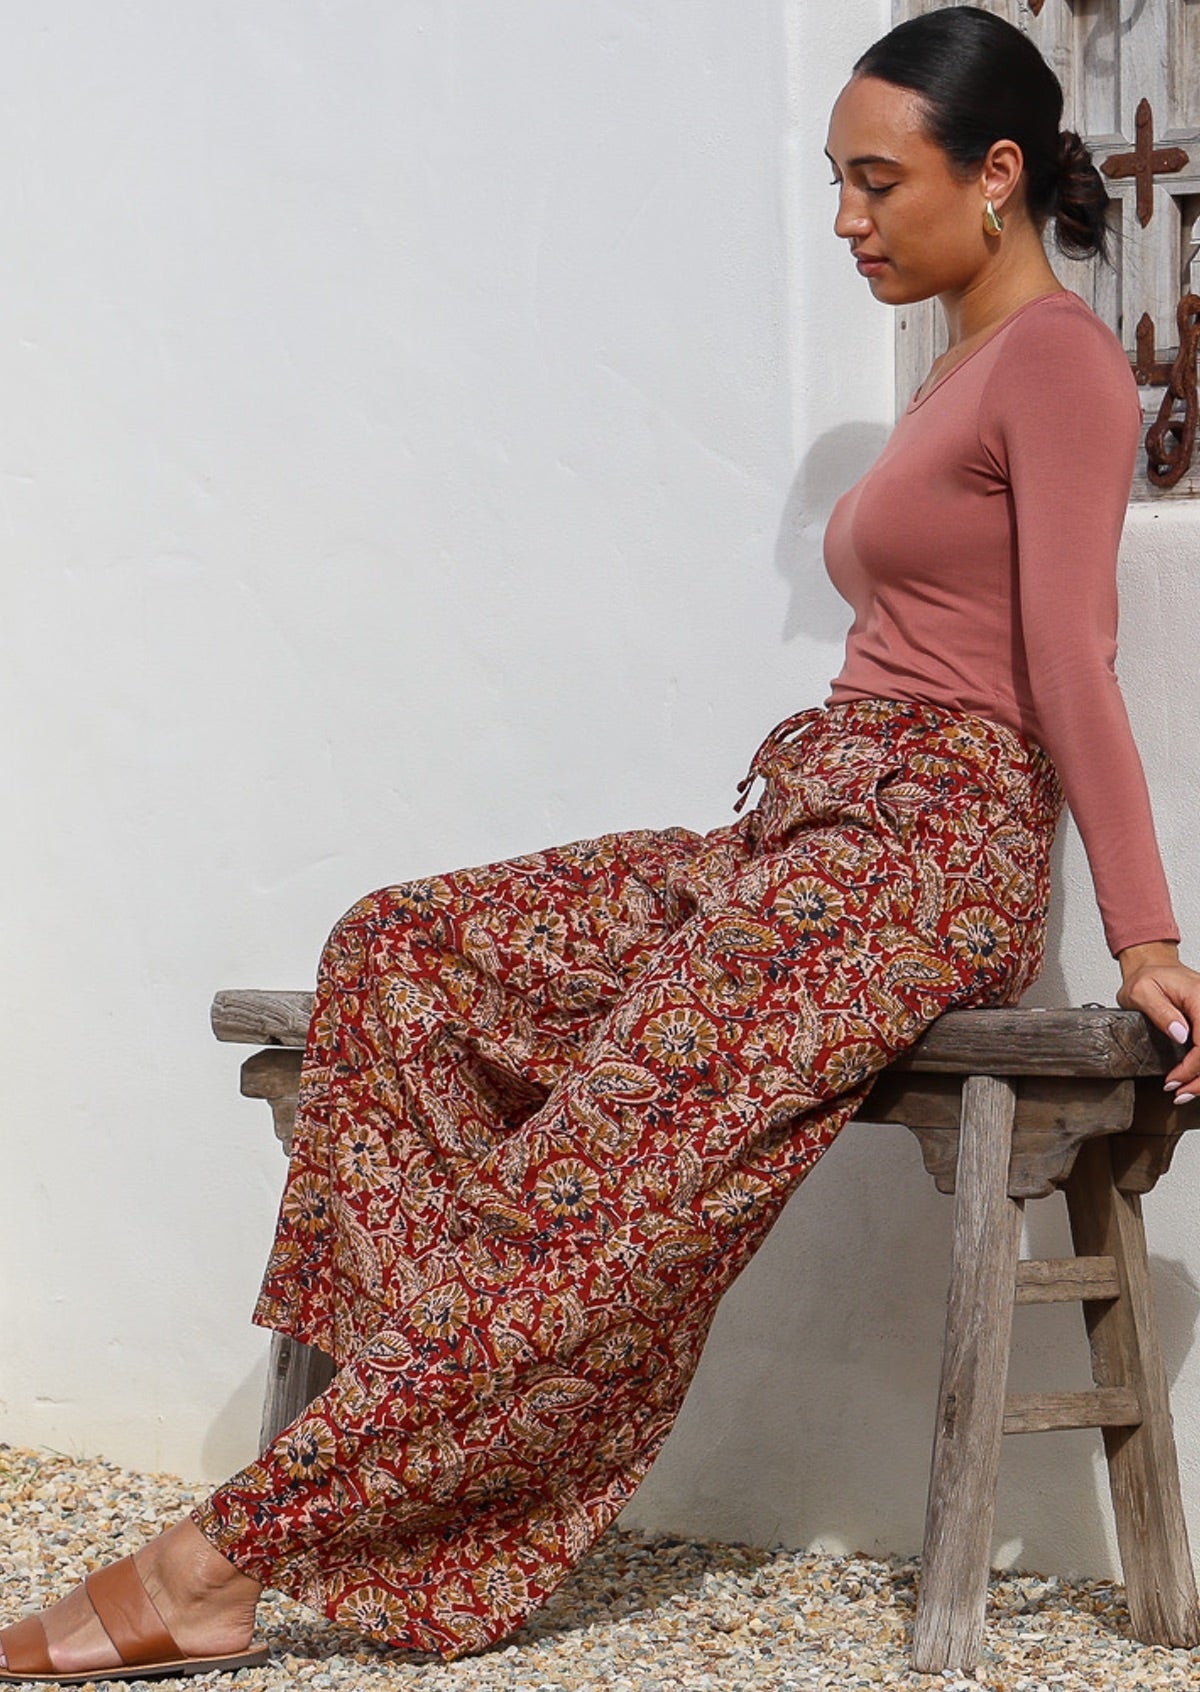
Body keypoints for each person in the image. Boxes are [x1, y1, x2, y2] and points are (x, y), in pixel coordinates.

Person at [5, 6, 1200, 1682]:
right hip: (808, 827)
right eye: (834, 183)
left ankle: (224, 1553)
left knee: (588, 1190)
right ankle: (448, 1450)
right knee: (398, 950)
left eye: (878, 182)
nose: (847, 220)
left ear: (996, 176)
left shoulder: (1063, 363)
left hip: (915, 864)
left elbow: (1069, 659)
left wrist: (1145, 930)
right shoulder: (961, 360)